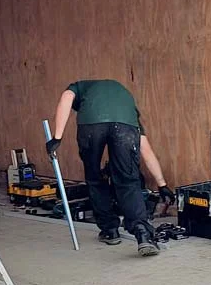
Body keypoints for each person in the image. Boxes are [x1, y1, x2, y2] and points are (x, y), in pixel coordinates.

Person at [46, 79, 162, 256]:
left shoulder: (80, 87)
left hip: (91, 126)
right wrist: (162, 184)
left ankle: (110, 230)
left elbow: (67, 96)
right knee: (128, 180)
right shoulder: (127, 107)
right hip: (125, 127)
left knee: (94, 178)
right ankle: (143, 234)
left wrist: (57, 137)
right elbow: (145, 147)